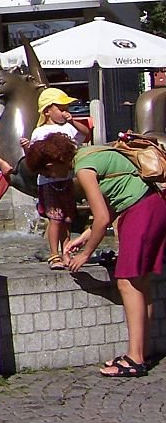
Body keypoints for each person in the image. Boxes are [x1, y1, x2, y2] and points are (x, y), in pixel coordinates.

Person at [65, 140, 166, 377]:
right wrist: (84, 237)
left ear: (53, 164)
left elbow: (100, 218)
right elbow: (114, 202)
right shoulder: (92, 152)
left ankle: (135, 359)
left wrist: (85, 254)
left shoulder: (83, 169)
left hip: (140, 211)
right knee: (140, 281)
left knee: (127, 281)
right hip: (154, 205)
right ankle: (142, 350)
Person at [25, 87, 91, 268]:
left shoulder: (69, 128)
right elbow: (34, 157)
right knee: (55, 218)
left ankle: (66, 252)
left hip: (66, 180)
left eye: (67, 109)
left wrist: (74, 121)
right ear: (47, 111)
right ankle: (54, 255)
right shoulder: (39, 132)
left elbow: (85, 134)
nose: (66, 113)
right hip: (49, 182)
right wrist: (26, 148)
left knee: (67, 219)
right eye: (62, 109)